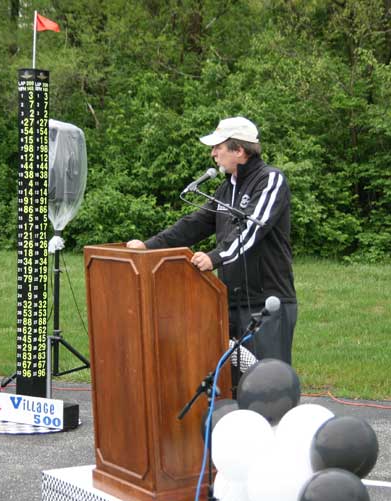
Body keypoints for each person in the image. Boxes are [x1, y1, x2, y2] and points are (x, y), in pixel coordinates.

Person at [127, 116, 297, 368]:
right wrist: (149, 246)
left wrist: (215, 257)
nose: (213, 153)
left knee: (268, 382)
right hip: (229, 302)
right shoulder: (226, 189)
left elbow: (252, 227)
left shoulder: (270, 180)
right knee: (233, 381)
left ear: (239, 150)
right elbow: (195, 224)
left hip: (266, 304)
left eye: (218, 147)